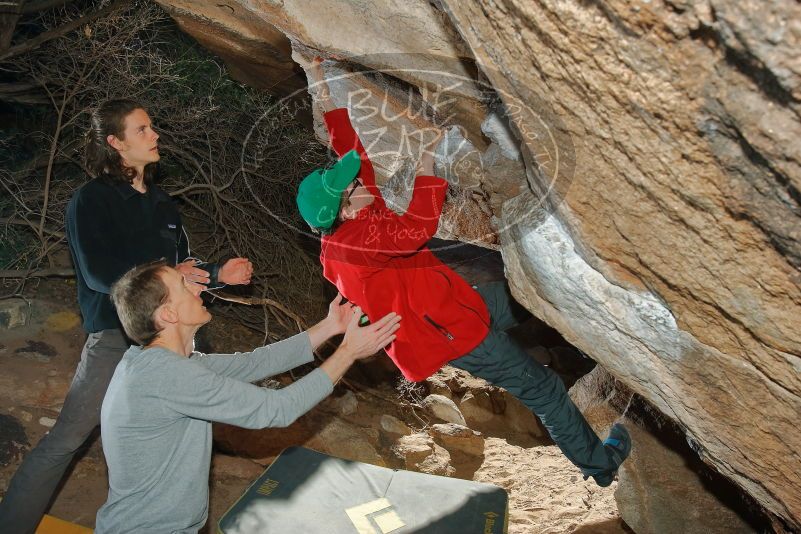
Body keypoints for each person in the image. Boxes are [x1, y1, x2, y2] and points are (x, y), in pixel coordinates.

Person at [295, 57, 631, 487]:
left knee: (531, 295)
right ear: (345, 206)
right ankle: (599, 465)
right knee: (543, 389)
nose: (362, 182)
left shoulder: (355, 218)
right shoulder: (353, 244)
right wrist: (425, 168)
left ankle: (602, 342)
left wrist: (324, 88)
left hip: (457, 303)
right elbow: (417, 228)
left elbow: (351, 155)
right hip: (450, 334)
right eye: (354, 187)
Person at [0, 99, 253, 533]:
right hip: (118, 338)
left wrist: (217, 273)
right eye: (142, 130)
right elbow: (100, 274)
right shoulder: (92, 200)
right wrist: (171, 273)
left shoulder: (162, 204)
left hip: (174, 340)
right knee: (67, 439)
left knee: (186, 443)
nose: (155, 136)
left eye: (151, 127)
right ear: (115, 142)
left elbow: (181, 268)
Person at [94, 260, 400, 532]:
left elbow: (256, 362)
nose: (198, 288)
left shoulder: (164, 365)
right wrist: (348, 353)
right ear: (169, 314)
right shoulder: (166, 376)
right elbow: (276, 409)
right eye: (184, 285)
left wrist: (332, 325)